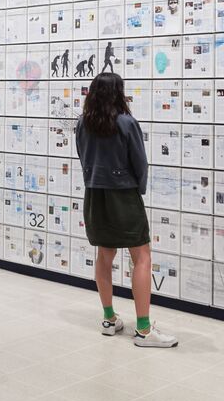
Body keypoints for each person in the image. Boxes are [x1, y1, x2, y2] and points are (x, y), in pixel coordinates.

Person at [75, 73, 177, 347]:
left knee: (104, 255)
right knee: (141, 256)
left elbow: (82, 155)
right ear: (117, 93)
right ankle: (144, 329)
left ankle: (109, 319)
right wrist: (137, 189)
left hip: (94, 195)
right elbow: (140, 163)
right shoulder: (126, 123)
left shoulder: (83, 123)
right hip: (123, 194)